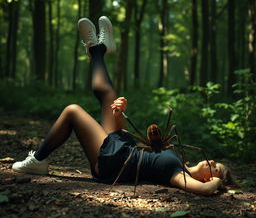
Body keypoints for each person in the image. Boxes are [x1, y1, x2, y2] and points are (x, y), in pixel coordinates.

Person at [12, 16, 231, 196]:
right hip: (124, 148)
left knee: (72, 111)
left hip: (114, 163)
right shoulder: (178, 161)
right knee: (110, 97)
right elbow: (149, 152)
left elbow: (203, 190)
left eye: (215, 167)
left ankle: (38, 161)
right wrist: (120, 114)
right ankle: (98, 49)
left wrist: (216, 184)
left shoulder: (178, 175)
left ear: (211, 177)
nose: (211, 161)